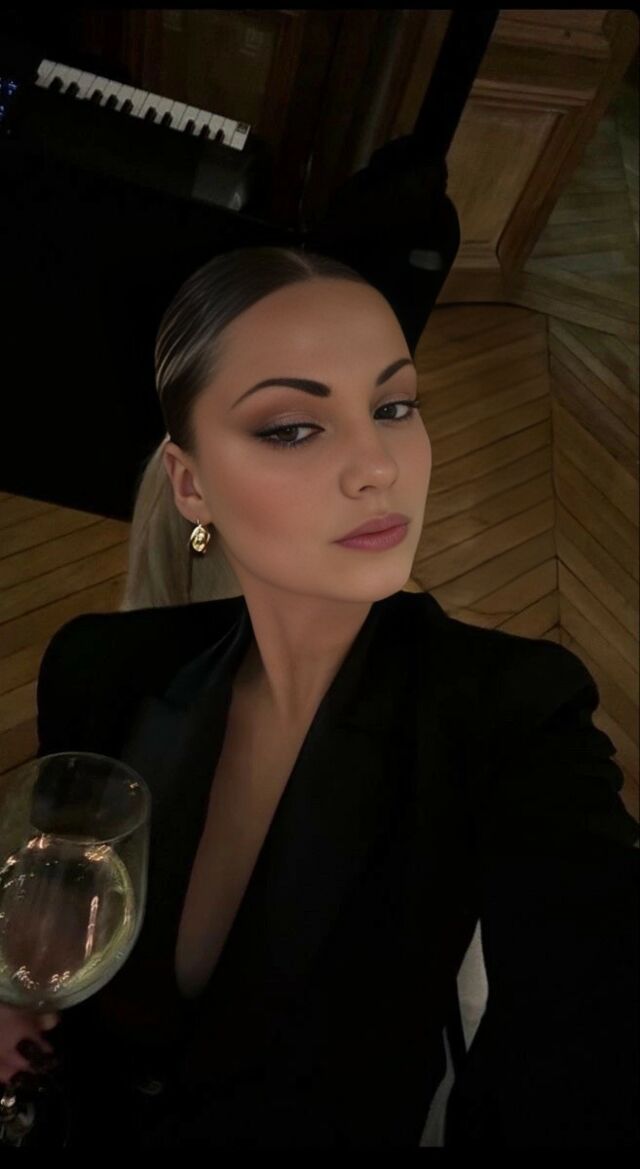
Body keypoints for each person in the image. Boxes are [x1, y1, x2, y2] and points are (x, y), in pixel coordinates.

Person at [9, 246, 639, 1148]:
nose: (378, 465)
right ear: (192, 483)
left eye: (394, 407)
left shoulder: (515, 714)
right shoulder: (100, 668)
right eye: (293, 427)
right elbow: (52, 896)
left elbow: (587, 1027)